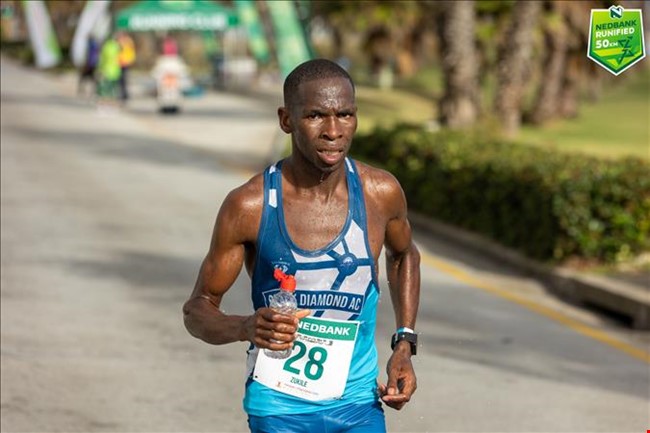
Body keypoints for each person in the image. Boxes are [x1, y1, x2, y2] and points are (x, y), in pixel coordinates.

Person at [183, 58, 420, 433]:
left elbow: (404, 255)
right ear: (286, 120)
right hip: (278, 406)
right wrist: (245, 327)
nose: (333, 131)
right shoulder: (249, 206)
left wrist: (404, 342)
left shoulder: (380, 193)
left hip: (358, 403)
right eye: (315, 116)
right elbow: (197, 310)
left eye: (345, 115)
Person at [116, 31, 136, 101]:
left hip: (125, 63)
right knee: (120, 79)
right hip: (120, 63)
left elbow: (131, 52)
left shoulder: (128, 42)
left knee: (123, 79)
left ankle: (124, 94)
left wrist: (129, 60)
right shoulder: (120, 42)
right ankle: (122, 93)